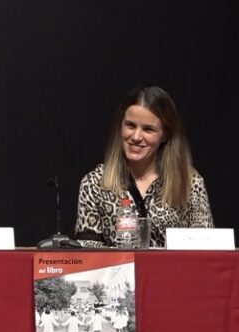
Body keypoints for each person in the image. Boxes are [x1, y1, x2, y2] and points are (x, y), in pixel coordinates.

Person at [74, 86, 214, 248]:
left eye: (148, 129)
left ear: (165, 135)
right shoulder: (94, 183)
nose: (136, 137)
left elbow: (207, 254)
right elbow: (88, 255)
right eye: (131, 126)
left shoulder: (190, 183)